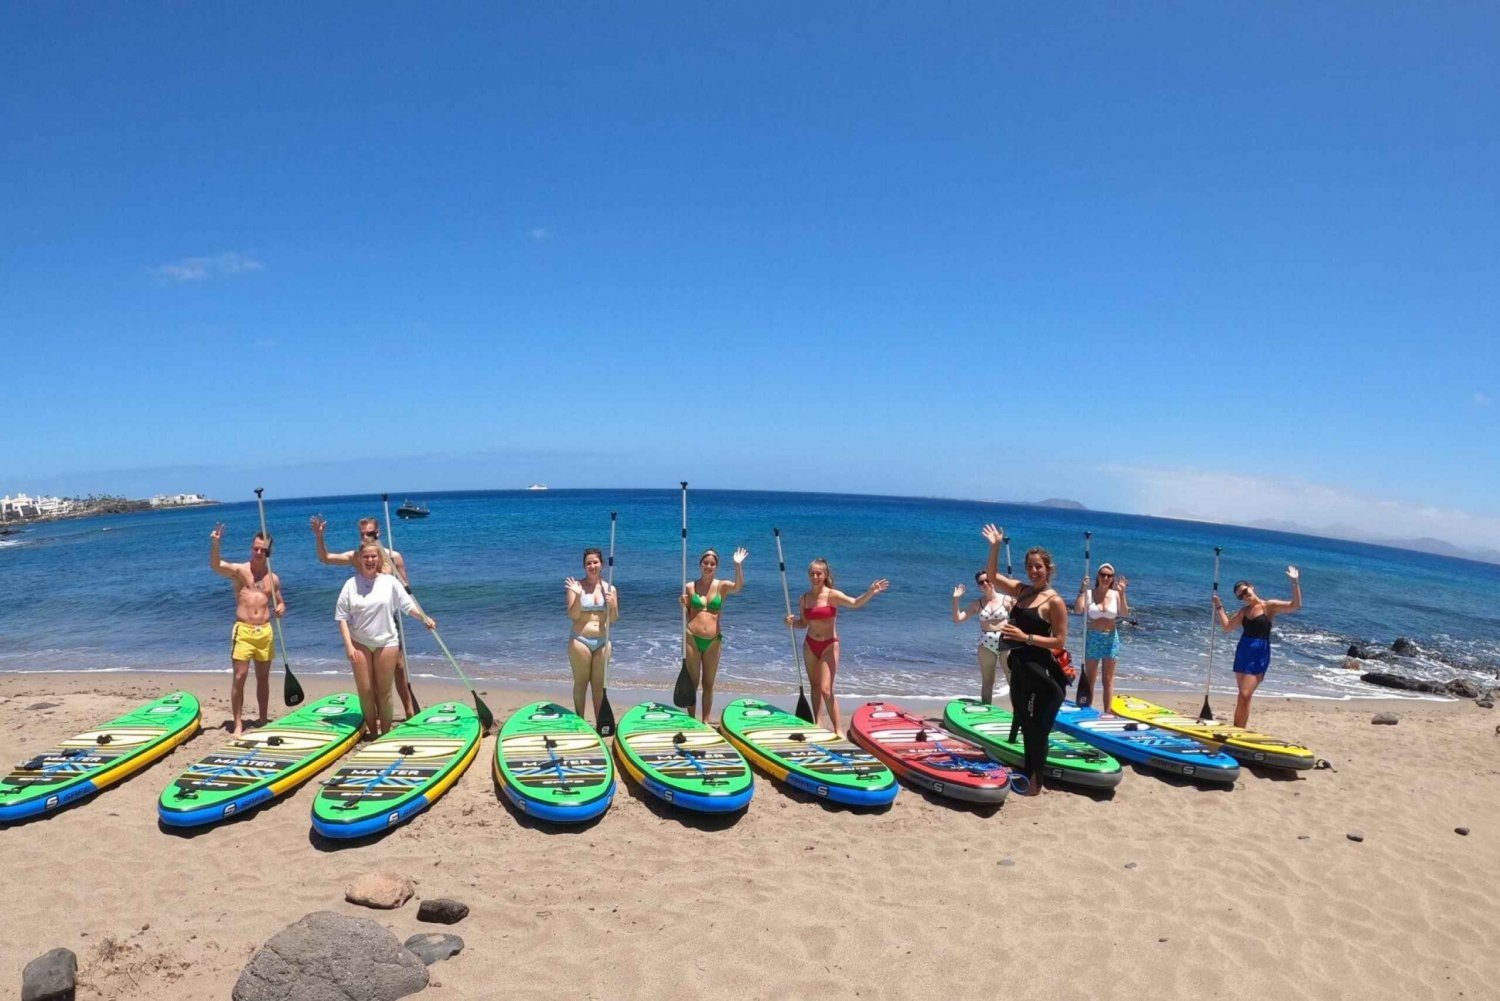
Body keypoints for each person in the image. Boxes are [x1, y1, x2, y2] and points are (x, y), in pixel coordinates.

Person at [982, 524, 1068, 796]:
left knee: (1037, 730)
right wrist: (995, 546)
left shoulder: (1054, 601)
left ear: (1048, 569)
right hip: (1019, 668)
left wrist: (1025, 636)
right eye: (1030, 566)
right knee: (1024, 722)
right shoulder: (1023, 592)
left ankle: (1036, 783)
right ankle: (1027, 771)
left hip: (1041, 673)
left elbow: (1059, 641)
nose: (1033, 571)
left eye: (1038, 567)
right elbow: (993, 577)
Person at [311, 515, 418, 719]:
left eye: (369, 533)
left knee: (399, 667)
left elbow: (405, 589)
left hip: (388, 619)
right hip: (365, 623)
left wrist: (416, 612)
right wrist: (319, 536)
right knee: (374, 676)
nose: (365, 537)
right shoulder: (357, 556)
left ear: (378, 533)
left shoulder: (394, 557)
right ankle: (378, 715)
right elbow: (325, 558)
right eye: (362, 534)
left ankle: (409, 711)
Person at [335, 540, 435, 738]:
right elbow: (341, 617)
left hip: (387, 643)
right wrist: (348, 646)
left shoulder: (390, 582)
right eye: (366, 557)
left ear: (379, 558)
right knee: (365, 690)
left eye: (374, 556)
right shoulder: (350, 584)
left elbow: (408, 606)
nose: (370, 560)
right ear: (360, 559)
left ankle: (386, 732)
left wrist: (424, 617)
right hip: (359, 643)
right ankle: (373, 731)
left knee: (384, 692)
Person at [784, 559, 889, 734]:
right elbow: (803, 623)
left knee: (826, 689)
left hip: (829, 645)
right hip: (810, 644)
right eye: (812, 574)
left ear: (825, 575)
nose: (815, 577)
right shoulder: (804, 598)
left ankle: (838, 730)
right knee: (815, 686)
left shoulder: (833, 595)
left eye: (819, 574)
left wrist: (871, 592)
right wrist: (790, 623)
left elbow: (855, 603)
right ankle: (817, 723)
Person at [209, 524, 284, 736]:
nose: (259, 552)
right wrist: (216, 543)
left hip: (265, 632)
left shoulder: (273, 578)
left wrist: (280, 608)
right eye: (256, 548)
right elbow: (216, 565)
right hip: (244, 631)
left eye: (263, 550)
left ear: (269, 552)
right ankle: (238, 723)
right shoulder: (241, 571)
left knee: (263, 678)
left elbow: (280, 602)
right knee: (240, 676)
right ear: (251, 548)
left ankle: (262, 718)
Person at [1212, 567, 1302, 728]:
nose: (1245, 596)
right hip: (1243, 652)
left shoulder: (1269, 606)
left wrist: (1294, 582)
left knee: (1245, 694)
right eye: (1240, 596)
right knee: (1244, 696)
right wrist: (1219, 607)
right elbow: (1226, 627)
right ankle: (1239, 730)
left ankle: (1237, 730)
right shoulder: (1244, 611)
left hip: (1259, 652)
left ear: (1251, 587)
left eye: (1245, 591)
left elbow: (1295, 605)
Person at [679, 547, 747, 723]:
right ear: (700, 564)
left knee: (708, 684)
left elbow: (738, 587)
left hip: (713, 641)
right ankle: (692, 719)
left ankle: (706, 720)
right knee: (693, 683)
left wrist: (737, 566)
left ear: (716, 566)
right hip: (692, 638)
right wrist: (683, 603)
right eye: (706, 562)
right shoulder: (690, 586)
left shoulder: (722, 586)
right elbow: (688, 614)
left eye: (712, 563)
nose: (708, 566)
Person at [564, 547, 619, 724]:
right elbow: (573, 615)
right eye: (588, 563)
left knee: (598, 687)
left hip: (603, 641)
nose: (592, 566)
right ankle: (580, 721)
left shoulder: (610, 588)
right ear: (584, 566)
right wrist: (578, 596)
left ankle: (599, 722)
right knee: (581, 684)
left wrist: (612, 605)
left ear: (601, 564)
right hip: (580, 640)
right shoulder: (576, 587)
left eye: (595, 562)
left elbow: (614, 619)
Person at [951, 570, 1013, 706]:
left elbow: (1020, 618)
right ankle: (987, 711)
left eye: (987, 580)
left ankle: (1019, 715)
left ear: (993, 581)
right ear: (978, 586)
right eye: (981, 582)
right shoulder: (977, 604)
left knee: (1012, 680)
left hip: (1006, 643)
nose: (985, 583)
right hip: (986, 644)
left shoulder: (1007, 600)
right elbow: (957, 619)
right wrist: (956, 599)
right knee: (987, 681)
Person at [1074, 562, 1129, 713]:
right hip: (1093, 638)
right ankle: (1087, 711)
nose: (1105, 577)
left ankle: (1107, 712)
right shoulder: (1089, 593)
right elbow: (1078, 610)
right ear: (1097, 576)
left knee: (1108, 680)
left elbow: (1124, 613)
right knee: (1090, 679)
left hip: (1111, 639)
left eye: (1109, 575)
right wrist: (1081, 591)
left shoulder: (1116, 594)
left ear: (1113, 578)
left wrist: (1123, 593)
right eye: (1102, 574)